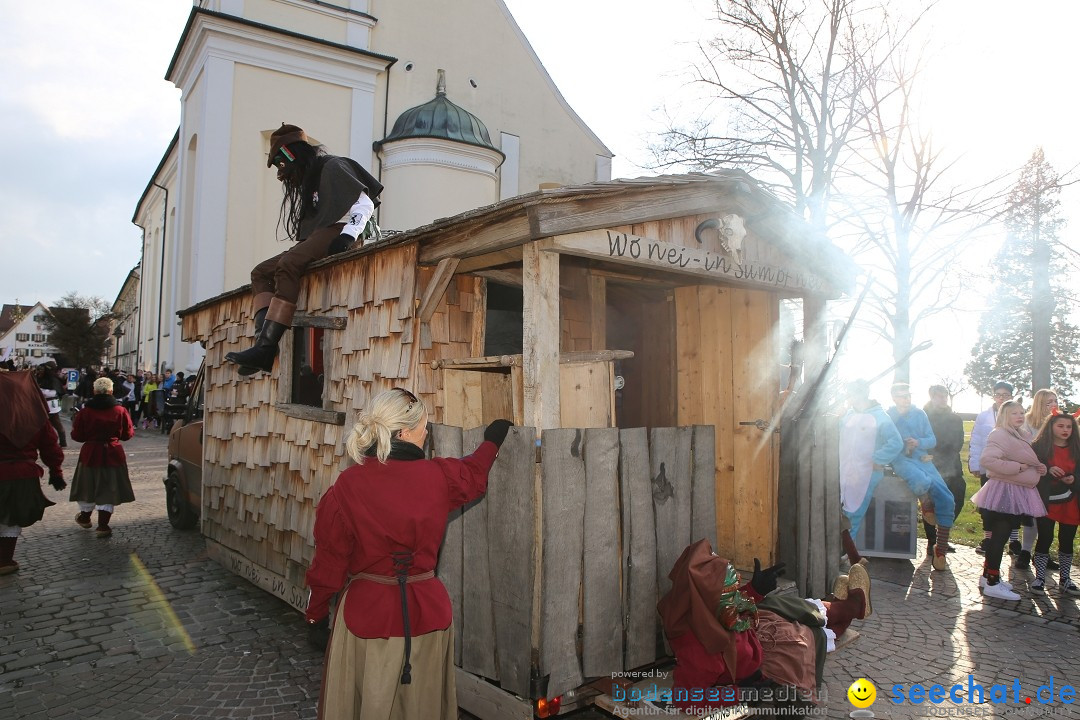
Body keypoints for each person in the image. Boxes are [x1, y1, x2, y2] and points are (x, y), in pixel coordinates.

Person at [304, 388, 510, 720]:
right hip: (426, 618)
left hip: (365, 619)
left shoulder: (347, 485)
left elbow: (329, 563)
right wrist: (493, 440)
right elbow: (474, 474)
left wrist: (315, 617)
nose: (426, 432)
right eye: (423, 426)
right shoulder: (440, 476)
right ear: (404, 432)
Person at [226, 124, 384, 376]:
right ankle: (262, 346)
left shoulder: (333, 166)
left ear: (292, 156)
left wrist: (348, 236)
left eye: (282, 165)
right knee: (260, 272)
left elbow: (364, 202)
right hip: (320, 233)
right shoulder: (311, 179)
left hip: (338, 229)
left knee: (289, 264)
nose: (282, 175)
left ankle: (266, 346)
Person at [656, 539, 871, 716]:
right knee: (801, 636)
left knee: (781, 605)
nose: (741, 598)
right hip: (755, 660)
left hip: (745, 635)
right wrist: (740, 693)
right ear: (708, 605)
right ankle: (849, 608)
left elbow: (729, 603)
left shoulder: (705, 608)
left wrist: (755, 589)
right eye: (734, 594)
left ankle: (843, 607)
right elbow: (684, 699)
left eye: (737, 588)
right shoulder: (701, 652)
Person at [972, 400, 1047, 600]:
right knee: (999, 536)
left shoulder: (1019, 435)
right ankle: (992, 582)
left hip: (1013, 490)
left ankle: (988, 575)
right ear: (1005, 415)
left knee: (1000, 536)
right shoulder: (1000, 434)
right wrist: (1019, 467)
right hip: (1005, 492)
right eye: (1014, 413)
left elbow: (1024, 458)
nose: (1020, 416)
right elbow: (988, 460)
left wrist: (1037, 467)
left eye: (1022, 412)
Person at [0, 370, 66, 574]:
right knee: (12, 517)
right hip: (22, 475)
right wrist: (56, 471)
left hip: (18, 472)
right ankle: (4, 561)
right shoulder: (35, 417)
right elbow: (50, 446)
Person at [886, 383, 957, 570]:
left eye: (907, 395)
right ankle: (925, 502)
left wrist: (918, 442)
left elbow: (932, 439)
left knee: (947, 497)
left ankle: (940, 549)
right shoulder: (889, 416)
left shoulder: (920, 414)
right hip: (899, 458)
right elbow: (882, 440)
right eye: (901, 396)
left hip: (923, 457)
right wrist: (902, 445)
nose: (905, 399)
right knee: (919, 479)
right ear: (894, 398)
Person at [838, 379, 903, 566]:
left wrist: (878, 459)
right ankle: (842, 551)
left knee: (854, 511)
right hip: (845, 470)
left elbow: (895, 442)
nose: (850, 397)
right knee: (841, 510)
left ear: (863, 394)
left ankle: (847, 554)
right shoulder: (848, 415)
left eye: (852, 393)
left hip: (866, 473)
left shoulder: (880, 416)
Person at [69, 377, 136, 538]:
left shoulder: (85, 412)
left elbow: (77, 435)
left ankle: (85, 517)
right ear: (111, 391)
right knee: (109, 487)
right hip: (113, 452)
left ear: (94, 391)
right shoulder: (120, 411)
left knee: (87, 485)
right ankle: (103, 525)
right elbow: (128, 434)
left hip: (90, 453)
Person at [1030, 414, 1080, 594]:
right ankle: (1040, 577)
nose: (1065, 430)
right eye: (1061, 426)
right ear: (1051, 426)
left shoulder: (1077, 448)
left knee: (1067, 539)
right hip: (1047, 500)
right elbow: (1031, 468)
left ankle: (1065, 578)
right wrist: (1047, 469)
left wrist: (1073, 479)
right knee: (1045, 537)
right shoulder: (1039, 447)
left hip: (1071, 502)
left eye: (1069, 427)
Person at [1014, 388, 1060, 568]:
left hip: (1053, 476)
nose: (1053, 405)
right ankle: (1025, 551)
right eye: (1049, 401)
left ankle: (1042, 552)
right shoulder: (1027, 422)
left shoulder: (1058, 421)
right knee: (1031, 516)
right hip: (1032, 474)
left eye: (1055, 400)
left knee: (1047, 517)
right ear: (1039, 403)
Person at [971, 381, 1014, 555]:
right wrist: (975, 464)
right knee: (988, 504)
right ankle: (988, 538)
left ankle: (1014, 541)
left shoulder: (1018, 414)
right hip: (989, 467)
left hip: (1012, 469)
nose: (1001, 398)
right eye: (998, 394)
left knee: (1011, 504)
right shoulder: (984, 417)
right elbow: (976, 441)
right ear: (993, 396)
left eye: (1006, 395)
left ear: (1011, 396)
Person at [923, 385, 966, 557]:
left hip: (952, 466)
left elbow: (959, 441)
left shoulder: (955, 419)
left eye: (944, 396)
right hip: (931, 465)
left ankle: (942, 534)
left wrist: (948, 450)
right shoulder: (924, 416)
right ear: (931, 397)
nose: (942, 399)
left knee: (958, 499)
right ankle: (933, 541)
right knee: (931, 504)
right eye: (938, 396)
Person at [36, 361, 67, 448]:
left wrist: (41, 391)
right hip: (42, 405)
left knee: (56, 423)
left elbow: (52, 393)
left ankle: (63, 442)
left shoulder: (54, 380)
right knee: (41, 425)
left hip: (51, 405)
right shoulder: (41, 378)